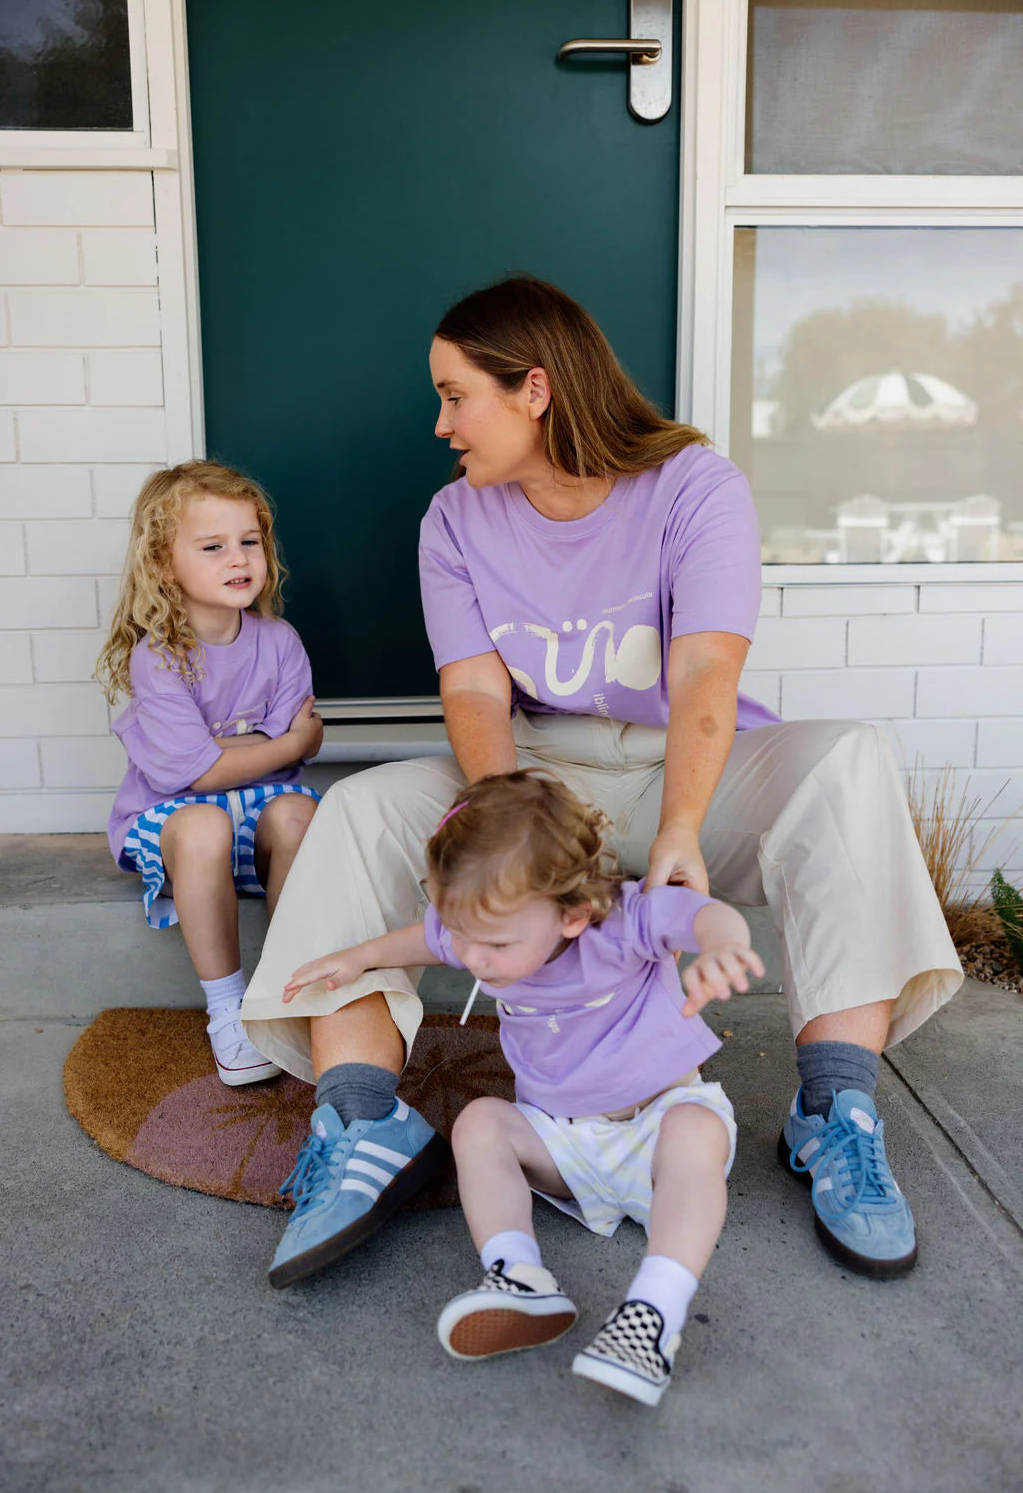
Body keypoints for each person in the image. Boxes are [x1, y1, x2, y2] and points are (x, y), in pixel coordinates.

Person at [242, 274, 962, 1283]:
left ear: (533, 390)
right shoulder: (453, 519)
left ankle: (831, 1109)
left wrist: (680, 828)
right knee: (360, 807)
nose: (440, 423)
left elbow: (708, 670)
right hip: (535, 774)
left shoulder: (693, 486)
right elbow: (475, 695)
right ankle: (362, 1119)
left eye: (456, 395)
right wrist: (515, 844)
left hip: (687, 765)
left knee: (849, 758)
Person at [283, 771, 763, 1406]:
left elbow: (703, 916)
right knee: (479, 1121)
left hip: (657, 1131)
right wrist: (362, 957)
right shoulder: (481, 928)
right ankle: (517, 1273)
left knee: (698, 1134)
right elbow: (426, 941)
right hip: (563, 1146)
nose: (473, 959)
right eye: (463, 935)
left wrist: (725, 947)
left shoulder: (622, 923)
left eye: (495, 944)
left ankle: (652, 1315)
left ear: (572, 915)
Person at [96, 460, 323, 1086]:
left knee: (302, 812)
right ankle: (227, 1010)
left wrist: (240, 752)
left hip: (254, 817)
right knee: (201, 825)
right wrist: (269, 745)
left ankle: (289, 993)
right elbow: (196, 778)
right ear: (166, 565)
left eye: (249, 541)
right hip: (167, 822)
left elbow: (293, 753)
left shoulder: (278, 641)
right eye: (214, 546)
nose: (239, 558)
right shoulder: (160, 656)